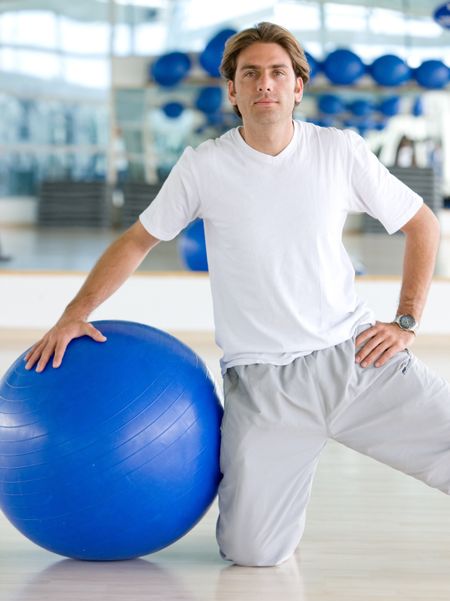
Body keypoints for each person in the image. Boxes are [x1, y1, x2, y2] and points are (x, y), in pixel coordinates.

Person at [25, 22, 449, 568]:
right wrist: (72, 314)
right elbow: (137, 241)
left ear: (298, 87)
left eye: (278, 73)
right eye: (250, 74)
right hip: (264, 385)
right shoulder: (204, 166)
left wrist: (406, 322)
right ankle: (288, 472)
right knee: (253, 553)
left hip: (355, 360)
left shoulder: (339, 150)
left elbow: (422, 224)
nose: (264, 83)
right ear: (233, 90)